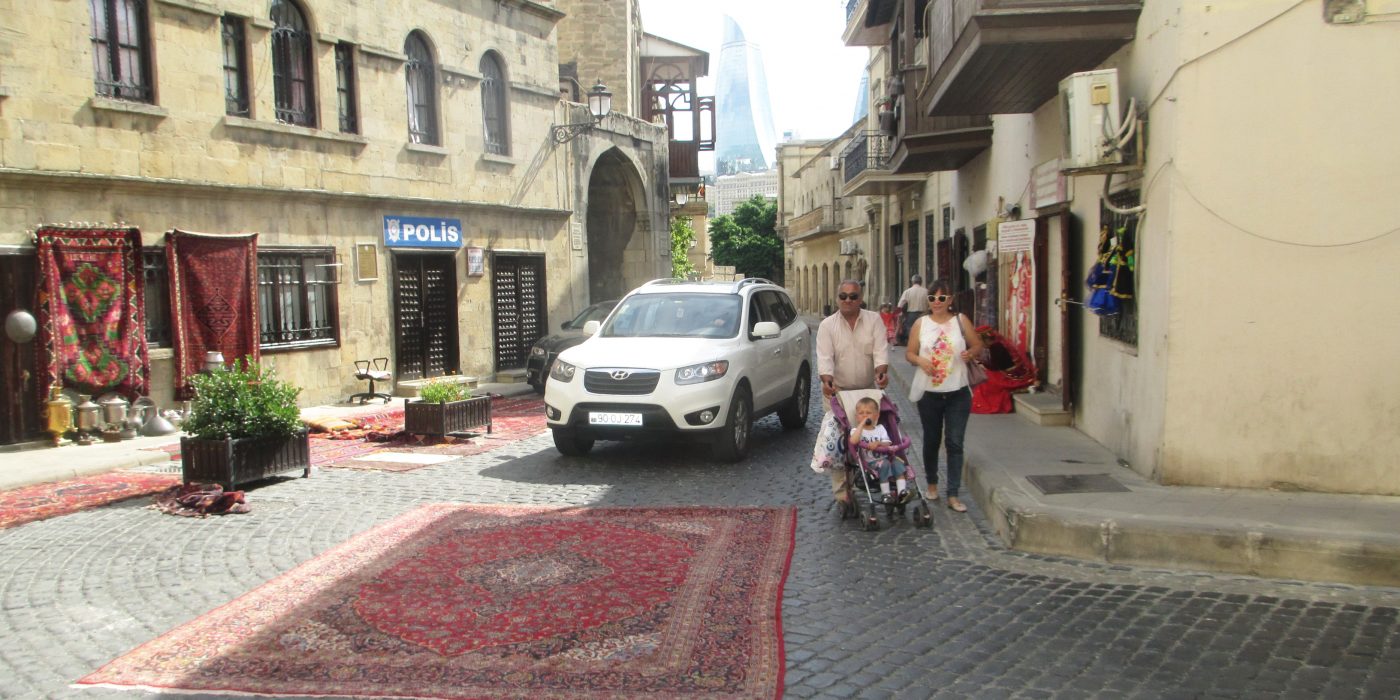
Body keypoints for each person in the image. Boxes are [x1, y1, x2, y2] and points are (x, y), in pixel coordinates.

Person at [905, 278, 984, 513]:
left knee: (955, 442)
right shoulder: (920, 323)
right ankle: (932, 483)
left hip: (958, 392)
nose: (936, 302)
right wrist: (920, 360)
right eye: (932, 298)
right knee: (931, 440)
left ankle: (953, 494)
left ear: (950, 300)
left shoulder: (960, 320)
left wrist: (971, 353)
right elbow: (909, 353)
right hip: (929, 393)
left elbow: (977, 344)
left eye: (941, 298)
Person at [810, 279, 890, 505]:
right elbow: (825, 357)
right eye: (843, 296)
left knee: (867, 437)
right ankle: (842, 493)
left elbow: (881, 351)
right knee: (840, 442)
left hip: (867, 393)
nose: (848, 300)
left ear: (860, 298)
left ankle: (866, 476)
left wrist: (882, 372)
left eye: (853, 296)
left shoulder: (874, 320)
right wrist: (826, 380)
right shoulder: (827, 326)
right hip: (838, 393)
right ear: (837, 299)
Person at [847, 396, 907, 504]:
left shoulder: (880, 429)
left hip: (886, 457)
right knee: (884, 464)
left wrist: (878, 443)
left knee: (898, 463)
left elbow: (888, 443)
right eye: (861, 413)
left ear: (876, 416)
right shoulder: (856, 431)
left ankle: (902, 492)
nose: (865, 415)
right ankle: (885, 494)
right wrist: (861, 424)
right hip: (871, 463)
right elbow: (853, 441)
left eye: (868, 413)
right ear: (856, 417)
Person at [896, 274, 929, 345]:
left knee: (911, 328)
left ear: (912, 282)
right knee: (923, 328)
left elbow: (900, 304)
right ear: (921, 282)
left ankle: (913, 343)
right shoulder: (926, 291)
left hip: (911, 314)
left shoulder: (907, 291)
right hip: (923, 314)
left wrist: (900, 314)